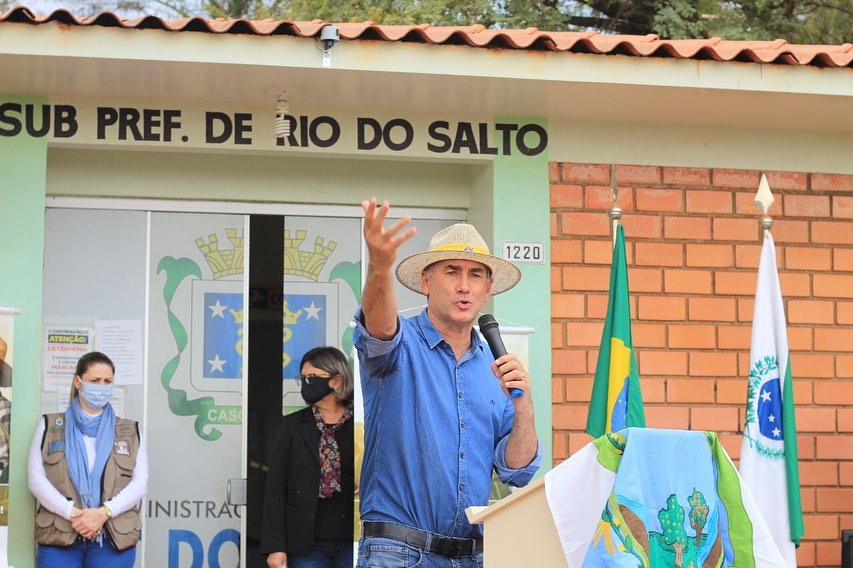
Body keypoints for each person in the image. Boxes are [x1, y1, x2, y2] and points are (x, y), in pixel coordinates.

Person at [353, 198, 541, 568]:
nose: (464, 287)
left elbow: (516, 471)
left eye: (475, 275)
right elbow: (378, 325)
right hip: (397, 554)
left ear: (488, 289)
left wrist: (524, 407)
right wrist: (379, 267)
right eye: (452, 272)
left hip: (470, 557)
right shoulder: (399, 344)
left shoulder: (494, 367)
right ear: (425, 281)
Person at [27, 351, 148, 567]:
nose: (101, 387)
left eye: (107, 381)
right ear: (78, 382)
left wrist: (103, 513)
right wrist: (73, 514)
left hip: (112, 539)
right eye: (95, 380)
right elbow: (36, 479)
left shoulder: (129, 431)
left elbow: (140, 483)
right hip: (59, 536)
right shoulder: (50, 426)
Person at [261, 346, 355, 568]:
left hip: (355, 541)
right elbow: (275, 487)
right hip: (306, 545)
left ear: (337, 381)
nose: (305, 384)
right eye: (302, 378)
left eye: (312, 378)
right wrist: (276, 547)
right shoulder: (292, 425)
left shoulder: (361, 425)